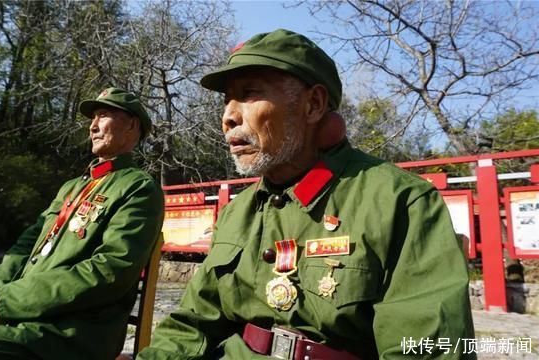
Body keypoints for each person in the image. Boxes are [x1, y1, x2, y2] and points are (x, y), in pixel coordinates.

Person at [139, 29, 474, 359]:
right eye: (227, 99)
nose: (229, 116)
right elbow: (192, 325)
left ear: (313, 104)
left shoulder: (400, 201)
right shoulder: (237, 212)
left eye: (250, 93)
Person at [0, 87, 165, 360]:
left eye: (103, 115)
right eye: (92, 118)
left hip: (67, 331)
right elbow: (27, 243)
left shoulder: (138, 187)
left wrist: (12, 301)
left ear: (132, 124)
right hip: (15, 312)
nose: (93, 126)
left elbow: (111, 269)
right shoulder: (73, 187)